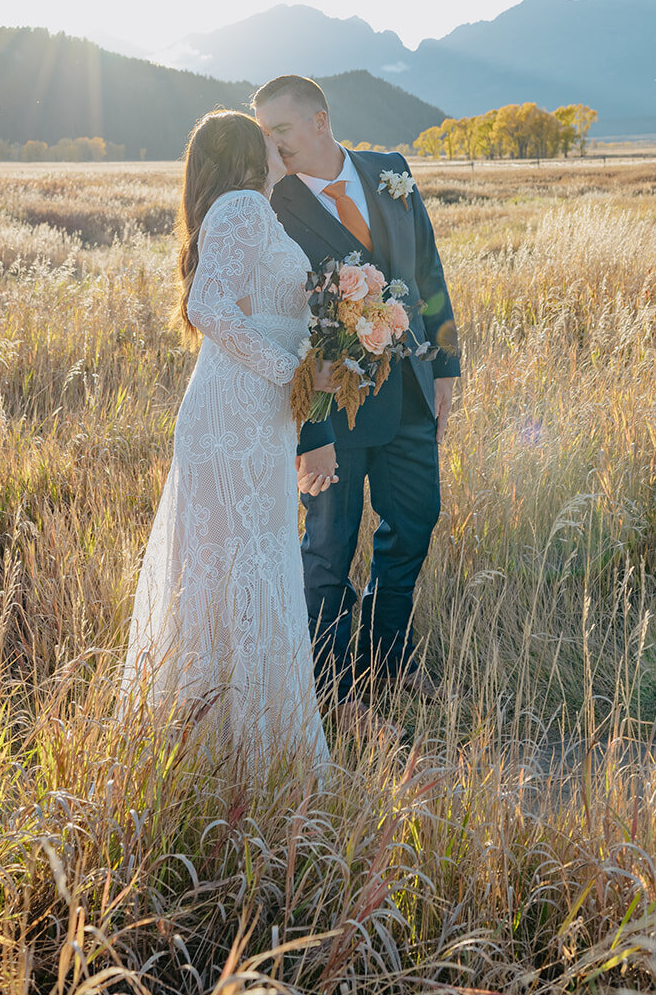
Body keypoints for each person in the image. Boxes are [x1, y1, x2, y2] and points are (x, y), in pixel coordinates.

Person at [120, 108, 338, 769]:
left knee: (242, 566)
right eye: (269, 142)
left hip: (247, 413)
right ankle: (238, 753)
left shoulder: (247, 210)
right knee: (240, 566)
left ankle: (232, 749)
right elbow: (207, 306)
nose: (282, 150)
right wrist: (290, 370)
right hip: (237, 414)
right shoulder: (243, 206)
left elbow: (261, 308)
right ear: (249, 155)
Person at [254, 75, 460, 705]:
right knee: (327, 552)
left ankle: (387, 662)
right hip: (333, 413)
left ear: (320, 120)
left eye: (280, 129)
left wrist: (446, 363)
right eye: (264, 133)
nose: (272, 144)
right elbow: (284, 330)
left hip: (411, 399)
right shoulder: (271, 204)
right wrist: (310, 432)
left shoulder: (391, 172)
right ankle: (332, 693)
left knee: (416, 522)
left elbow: (427, 268)